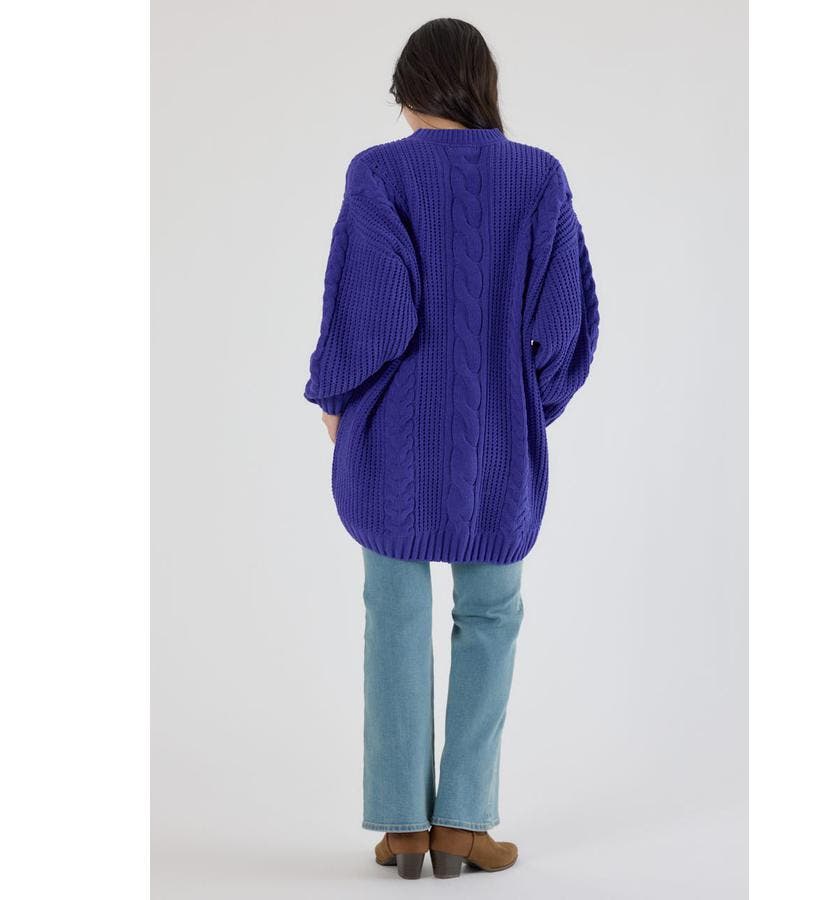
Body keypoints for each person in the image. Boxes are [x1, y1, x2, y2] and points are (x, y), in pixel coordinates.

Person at [303, 17, 600, 880]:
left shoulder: (378, 173)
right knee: (492, 616)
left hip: (393, 436)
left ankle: (403, 826)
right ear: (481, 84)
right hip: (495, 442)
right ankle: (463, 825)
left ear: (407, 89)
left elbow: (372, 309)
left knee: (394, 616)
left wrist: (335, 395)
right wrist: (522, 405)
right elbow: (563, 324)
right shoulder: (538, 177)